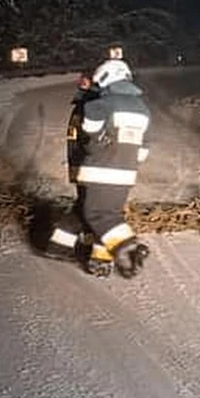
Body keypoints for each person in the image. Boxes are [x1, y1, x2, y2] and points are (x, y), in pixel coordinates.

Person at [71, 58, 152, 277]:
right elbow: (144, 148)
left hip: (101, 167)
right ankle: (101, 260)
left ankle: (128, 246)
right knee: (110, 214)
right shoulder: (143, 109)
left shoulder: (104, 103)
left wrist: (98, 143)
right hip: (126, 172)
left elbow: (90, 127)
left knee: (95, 214)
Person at [43, 71, 98, 262]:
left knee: (86, 205)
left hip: (81, 164)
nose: (81, 81)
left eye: (86, 79)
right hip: (89, 166)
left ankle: (62, 245)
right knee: (94, 207)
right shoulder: (92, 106)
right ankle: (89, 251)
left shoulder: (83, 104)